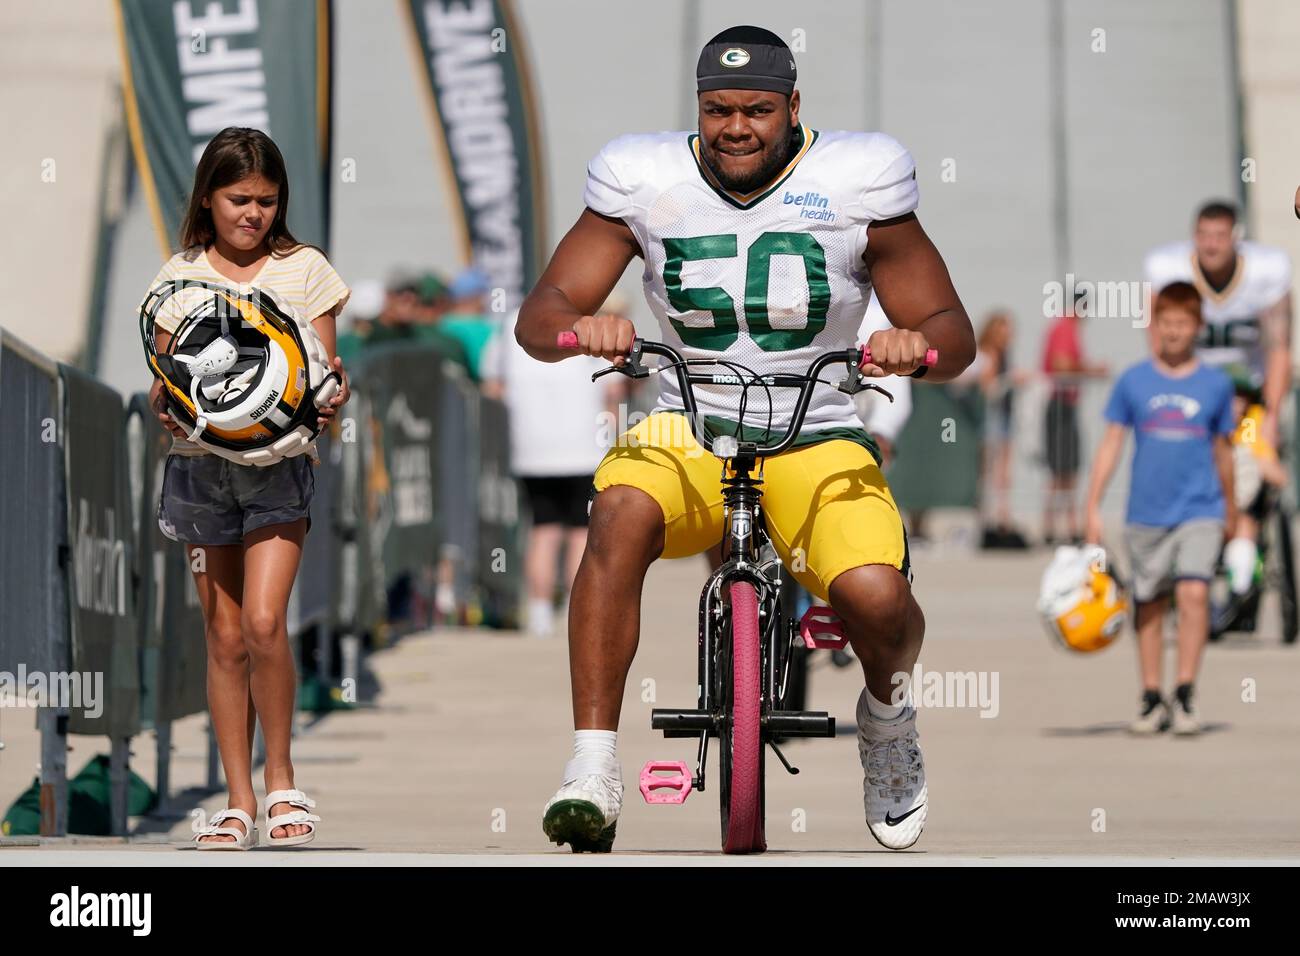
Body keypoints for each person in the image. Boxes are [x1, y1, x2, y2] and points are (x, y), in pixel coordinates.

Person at [516, 25, 975, 852]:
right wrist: (584, 327)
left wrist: (916, 345)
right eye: (718, 108)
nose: (736, 126)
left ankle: (886, 716)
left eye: (757, 110)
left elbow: (954, 330)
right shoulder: (643, 178)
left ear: (793, 107)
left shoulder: (855, 177)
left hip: (816, 426)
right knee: (618, 513)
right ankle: (592, 761)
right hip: (688, 418)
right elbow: (539, 312)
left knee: (875, 596)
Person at [144, 127, 351, 847]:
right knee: (225, 637)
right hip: (198, 472)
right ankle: (236, 800)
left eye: (266, 201)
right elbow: (164, 383)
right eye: (239, 199)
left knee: (265, 624)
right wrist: (163, 400)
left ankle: (283, 785)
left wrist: (333, 394)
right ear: (209, 197)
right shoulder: (174, 280)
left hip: (279, 471)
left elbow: (328, 370)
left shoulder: (306, 272)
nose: (253, 214)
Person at [1083, 282, 1236, 736]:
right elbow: (1111, 444)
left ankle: (1185, 691)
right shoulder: (1134, 382)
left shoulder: (1216, 385)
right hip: (1146, 513)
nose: (1173, 332)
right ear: (1155, 327)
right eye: (1166, 324)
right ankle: (1152, 696)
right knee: (1148, 603)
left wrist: (1233, 510)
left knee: (1193, 594)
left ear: (1198, 327)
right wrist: (1092, 506)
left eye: (1182, 324)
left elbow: (1225, 451)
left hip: (1201, 509)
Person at [1144, 201, 1293, 578]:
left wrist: (1271, 414)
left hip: (1249, 401)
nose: (1211, 245)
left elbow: (1279, 348)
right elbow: (1158, 343)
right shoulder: (1168, 270)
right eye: (1204, 236)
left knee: (1251, 467)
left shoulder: (1265, 272)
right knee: (1188, 468)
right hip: (1196, 400)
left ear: (1235, 239)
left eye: (1220, 236)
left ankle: (1244, 553)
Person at [482, 296, 630, 637]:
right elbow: (614, 390)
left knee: (543, 528)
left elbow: (492, 384)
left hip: (531, 446)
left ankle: (538, 609)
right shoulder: (588, 320)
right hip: (584, 445)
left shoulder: (510, 326)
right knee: (581, 531)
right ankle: (573, 608)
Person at [1042, 290, 1107, 545]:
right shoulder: (1065, 328)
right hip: (1060, 405)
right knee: (1061, 469)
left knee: (1067, 469)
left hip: (1066, 405)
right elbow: (1061, 364)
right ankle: (1057, 527)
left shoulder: (1066, 327)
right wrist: (1092, 370)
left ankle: (1067, 525)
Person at [974, 311, 1029, 548]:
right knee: (990, 471)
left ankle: (1003, 517)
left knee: (1004, 473)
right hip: (992, 418)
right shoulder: (989, 354)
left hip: (1004, 417)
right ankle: (989, 518)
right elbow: (987, 386)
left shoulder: (1005, 353)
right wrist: (1007, 380)